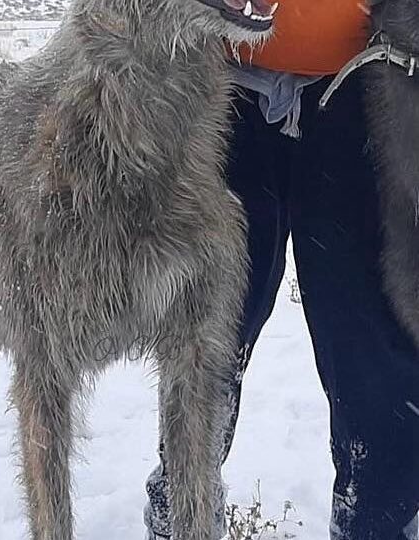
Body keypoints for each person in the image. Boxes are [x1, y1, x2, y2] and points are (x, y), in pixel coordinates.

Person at [142, 0, 419, 538]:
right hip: (221, 87)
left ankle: (383, 520)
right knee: (209, 329)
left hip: (372, 80)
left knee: (369, 330)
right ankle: (183, 509)